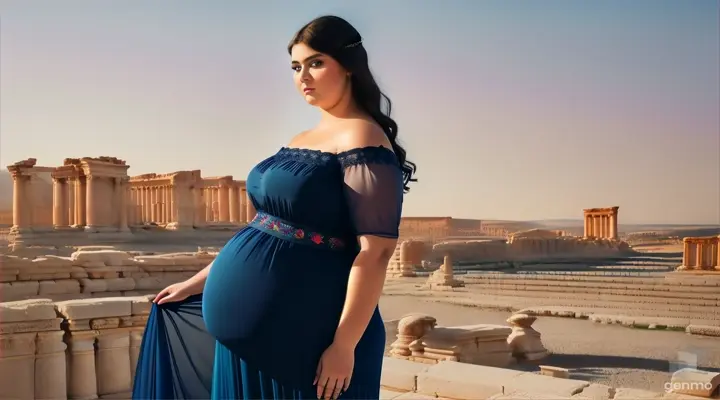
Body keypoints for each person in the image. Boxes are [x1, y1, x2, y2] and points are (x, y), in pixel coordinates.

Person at [131, 14, 417, 400]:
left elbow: (377, 252)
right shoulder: (303, 137)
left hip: (305, 337)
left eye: (316, 63)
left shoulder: (363, 137)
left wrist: (344, 345)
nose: (304, 76)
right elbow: (264, 228)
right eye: (296, 67)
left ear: (348, 66)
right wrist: (196, 283)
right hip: (250, 339)